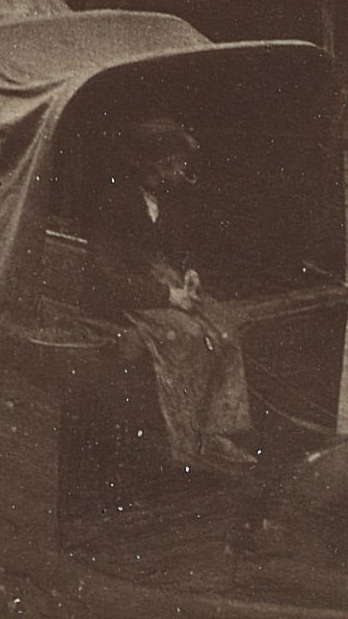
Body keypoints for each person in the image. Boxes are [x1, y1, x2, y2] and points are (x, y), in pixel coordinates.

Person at [83, 118, 256, 477]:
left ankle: (218, 433)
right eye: (177, 162)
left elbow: (180, 249)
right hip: (123, 299)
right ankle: (185, 442)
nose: (183, 169)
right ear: (156, 167)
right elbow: (107, 275)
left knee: (225, 329)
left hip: (165, 288)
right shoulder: (114, 200)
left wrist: (190, 273)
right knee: (188, 337)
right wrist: (167, 296)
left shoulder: (170, 199)